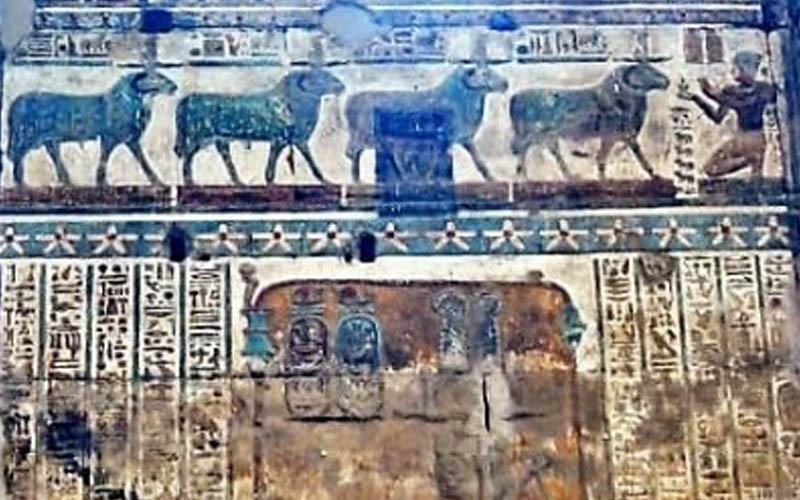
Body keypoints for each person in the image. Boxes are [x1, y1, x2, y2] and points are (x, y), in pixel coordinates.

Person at [678, 51, 777, 179]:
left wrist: (710, 94)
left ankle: (749, 161)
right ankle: (749, 160)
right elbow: (717, 117)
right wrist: (697, 98)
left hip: (751, 137)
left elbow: (740, 103)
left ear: (745, 68)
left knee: (754, 178)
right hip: (749, 137)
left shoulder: (760, 89)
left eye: (735, 68)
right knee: (712, 169)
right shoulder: (739, 90)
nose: (731, 71)